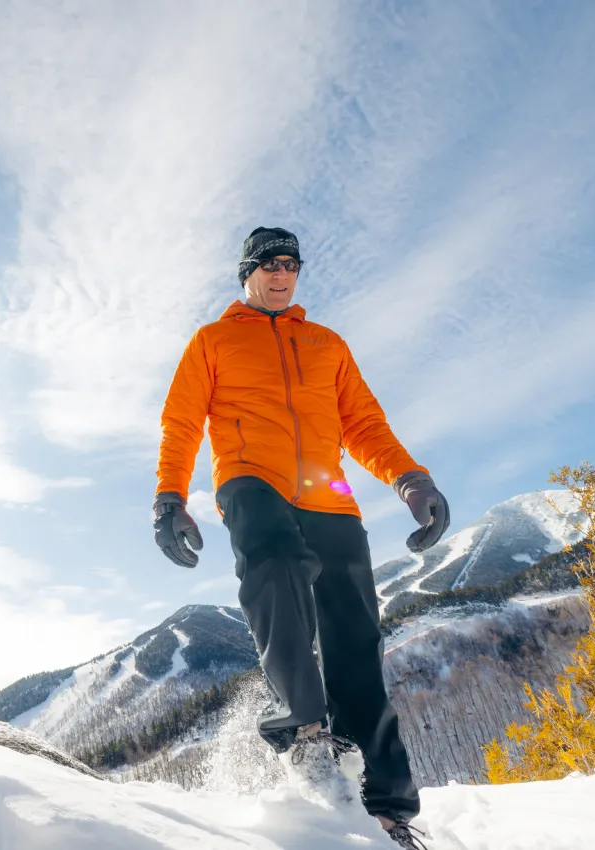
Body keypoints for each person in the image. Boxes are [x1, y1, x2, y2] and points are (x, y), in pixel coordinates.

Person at [152, 226, 448, 849]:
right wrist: (170, 498)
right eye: (269, 265)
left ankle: (387, 809)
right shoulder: (213, 341)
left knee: (356, 639)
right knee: (277, 560)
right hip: (250, 482)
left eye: (291, 264)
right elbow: (181, 421)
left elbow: (365, 424)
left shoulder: (326, 344)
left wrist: (412, 483)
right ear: (247, 273)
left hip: (328, 494)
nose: (281, 274)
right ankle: (305, 730)